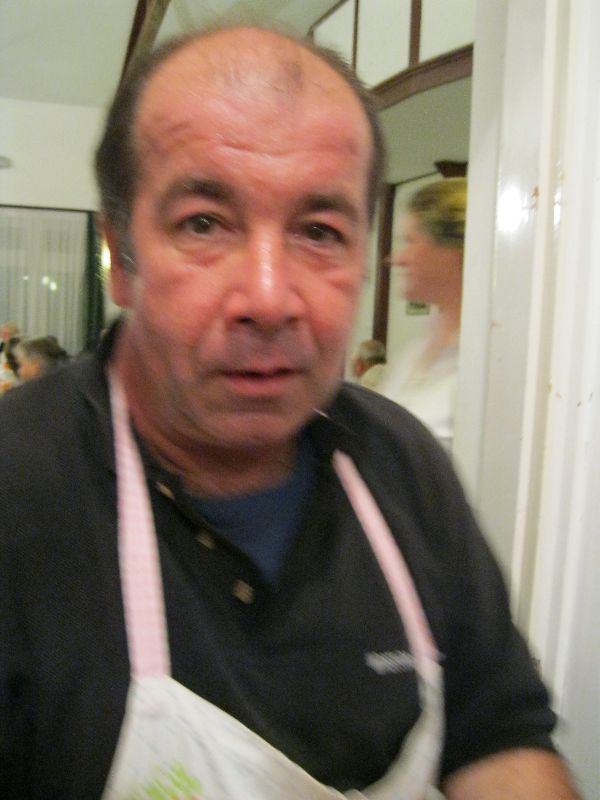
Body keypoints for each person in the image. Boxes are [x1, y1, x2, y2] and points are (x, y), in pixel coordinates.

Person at [0, 27, 579, 800]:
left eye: (318, 232)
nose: (270, 298)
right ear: (120, 259)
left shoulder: (401, 463)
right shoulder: (19, 486)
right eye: (203, 223)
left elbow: (498, 735)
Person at [379, 178, 466, 450]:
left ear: (453, 251)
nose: (396, 259)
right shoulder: (415, 351)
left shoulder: (489, 361)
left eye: (410, 241)